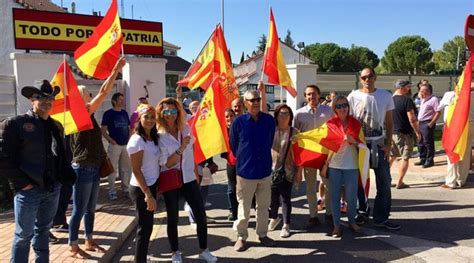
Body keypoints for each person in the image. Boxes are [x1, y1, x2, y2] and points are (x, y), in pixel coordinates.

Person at [0, 80, 76, 262]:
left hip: (51, 188)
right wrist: (22, 184)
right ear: (31, 100)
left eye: (50, 98)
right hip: (28, 190)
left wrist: (62, 179)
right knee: (23, 235)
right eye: (41, 98)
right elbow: (3, 158)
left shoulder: (56, 125)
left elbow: (62, 155)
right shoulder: (16, 124)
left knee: (43, 231)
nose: (46, 102)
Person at [68, 57, 126, 258]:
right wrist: (116, 69)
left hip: (92, 167)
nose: (91, 96)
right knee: (80, 209)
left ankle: (89, 239)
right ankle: (73, 244)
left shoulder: (88, 115)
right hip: (83, 167)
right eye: (87, 94)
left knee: (90, 208)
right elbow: (104, 92)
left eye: (90, 94)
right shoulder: (80, 113)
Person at [156, 97, 217, 263]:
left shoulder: (186, 128)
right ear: (161, 113)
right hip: (171, 180)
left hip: (189, 178)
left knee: (200, 214)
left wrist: (196, 172)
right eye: (166, 111)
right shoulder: (160, 135)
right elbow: (166, 163)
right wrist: (181, 148)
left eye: (173, 111)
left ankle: (204, 250)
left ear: (178, 112)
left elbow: (195, 147)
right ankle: (175, 252)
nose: (170, 115)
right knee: (173, 218)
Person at [348, 67, 400, 230]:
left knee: (384, 182)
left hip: (379, 145)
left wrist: (389, 144)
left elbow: (390, 122)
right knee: (359, 183)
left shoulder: (385, 95)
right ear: (360, 79)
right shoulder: (353, 96)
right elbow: (348, 121)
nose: (367, 80)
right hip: (360, 146)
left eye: (370, 76)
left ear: (375, 77)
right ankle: (361, 212)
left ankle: (381, 217)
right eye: (363, 77)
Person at [230, 88, 276, 252]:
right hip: (245, 172)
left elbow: (270, 141)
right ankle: (241, 237)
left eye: (257, 99)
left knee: (263, 206)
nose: (255, 103)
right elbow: (234, 146)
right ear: (245, 103)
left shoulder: (269, 121)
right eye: (252, 100)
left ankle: (262, 234)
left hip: (264, 171)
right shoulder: (238, 123)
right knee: (244, 207)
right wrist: (245, 158)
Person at [322, 95, 363, 237]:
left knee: (351, 197)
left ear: (348, 106)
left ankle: (352, 222)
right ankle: (336, 226)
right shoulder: (330, 124)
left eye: (344, 105)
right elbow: (328, 146)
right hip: (335, 165)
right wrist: (326, 165)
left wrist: (354, 141)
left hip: (351, 165)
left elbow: (362, 144)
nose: (342, 108)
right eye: (338, 106)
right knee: (334, 197)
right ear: (334, 108)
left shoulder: (355, 123)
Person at [294, 84, 334, 228]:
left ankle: (329, 214)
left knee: (329, 186)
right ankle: (313, 216)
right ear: (305, 97)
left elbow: (334, 131)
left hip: (325, 155)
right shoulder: (299, 114)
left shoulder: (329, 111)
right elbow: (296, 137)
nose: (312, 96)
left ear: (319, 94)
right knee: (310, 188)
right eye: (309, 94)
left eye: (314, 93)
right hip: (308, 156)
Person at [126, 104, 160, 263]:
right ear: (139, 119)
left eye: (153, 117)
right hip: (141, 188)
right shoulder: (137, 140)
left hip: (151, 185)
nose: (150, 120)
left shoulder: (152, 137)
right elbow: (136, 170)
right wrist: (148, 194)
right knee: (143, 229)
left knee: (148, 228)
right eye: (146, 117)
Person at [267, 104, 302, 238]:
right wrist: (263, 92)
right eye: (281, 113)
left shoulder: (295, 132)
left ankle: (286, 225)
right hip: (271, 169)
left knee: (285, 198)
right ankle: (274, 218)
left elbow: (300, 154)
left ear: (291, 116)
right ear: (276, 115)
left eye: (287, 113)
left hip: (288, 170)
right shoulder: (271, 130)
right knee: (272, 197)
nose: (284, 116)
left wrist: (299, 171)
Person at [437, 88, 474, 189]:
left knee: (452, 151)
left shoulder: (450, 94)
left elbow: (439, 107)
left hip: (456, 124)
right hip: (471, 124)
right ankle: (461, 180)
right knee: (466, 152)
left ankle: (451, 181)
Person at [389, 80, 421, 189]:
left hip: (392, 132)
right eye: (407, 87)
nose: (409, 89)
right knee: (405, 157)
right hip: (405, 133)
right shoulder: (407, 100)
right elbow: (412, 118)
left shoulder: (390, 100)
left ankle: (385, 179)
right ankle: (400, 182)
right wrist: (417, 132)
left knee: (392, 156)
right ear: (402, 87)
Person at [101, 92, 132, 200]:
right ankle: (112, 191)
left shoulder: (124, 113)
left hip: (125, 145)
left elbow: (129, 128)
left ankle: (126, 189)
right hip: (114, 145)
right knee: (112, 169)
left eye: (123, 99)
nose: (122, 101)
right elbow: (103, 130)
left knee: (126, 168)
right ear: (114, 101)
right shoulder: (108, 113)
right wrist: (110, 140)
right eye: (120, 99)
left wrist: (129, 139)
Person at [415, 83, 439, 168]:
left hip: (427, 123)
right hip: (420, 122)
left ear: (428, 91)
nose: (420, 92)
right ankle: (422, 158)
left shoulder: (433, 99)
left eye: (422, 90)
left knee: (428, 143)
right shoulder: (423, 99)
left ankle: (429, 161)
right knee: (420, 142)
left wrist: (431, 123)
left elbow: (438, 112)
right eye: (420, 90)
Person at [222, 108, 238, 221]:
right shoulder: (222, 132)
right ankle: (233, 211)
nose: (229, 118)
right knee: (231, 189)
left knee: (247, 189)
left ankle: (255, 210)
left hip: (244, 163)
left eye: (231, 115)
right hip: (231, 163)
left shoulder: (240, 128)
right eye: (227, 116)